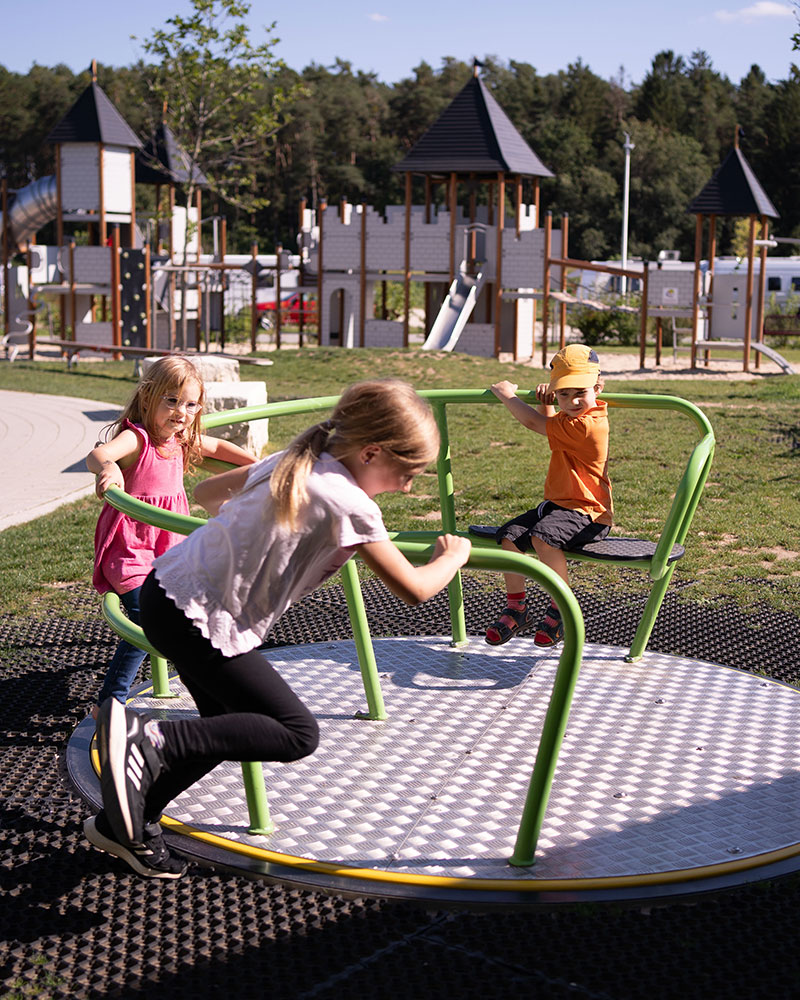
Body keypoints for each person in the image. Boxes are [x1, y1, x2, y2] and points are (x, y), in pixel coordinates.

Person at [86, 378, 472, 879]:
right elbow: (416, 589)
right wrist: (454, 556)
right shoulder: (349, 505)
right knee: (296, 733)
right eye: (407, 473)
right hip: (201, 616)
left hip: (168, 588)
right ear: (372, 452)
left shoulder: (295, 461)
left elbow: (205, 493)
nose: (409, 486)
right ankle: (147, 739)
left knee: (222, 729)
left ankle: (128, 825)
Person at [86, 356, 257, 716]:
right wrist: (110, 471)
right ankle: (111, 702)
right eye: (172, 400)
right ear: (148, 398)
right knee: (143, 620)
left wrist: (258, 466)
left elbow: (219, 449)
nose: (181, 412)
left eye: (191, 404)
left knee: (187, 619)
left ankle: (211, 695)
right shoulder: (138, 438)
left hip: (169, 552)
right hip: (132, 549)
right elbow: (100, 453)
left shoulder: (179, 440)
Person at [485, 344, 612, 648]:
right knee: (508, 537)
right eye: (563, 394)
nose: (572, 401)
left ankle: (562, 607)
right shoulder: (572, 420)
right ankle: (517, 608)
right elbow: (553, 431)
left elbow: (535, 424)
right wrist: (548, 402)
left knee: (543, 537)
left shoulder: (590, 425)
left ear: (598, 387)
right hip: (557, 507)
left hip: (588, 514)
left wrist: (507, 394)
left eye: (580, 392)